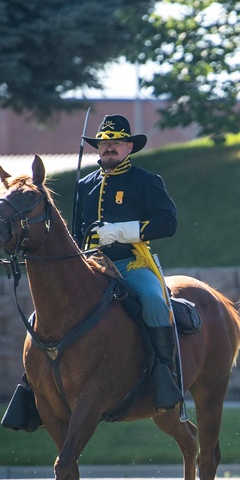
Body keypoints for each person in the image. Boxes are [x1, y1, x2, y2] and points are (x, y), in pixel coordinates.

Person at [72, 114, 183, 412]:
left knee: (153, 299)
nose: (110, 148)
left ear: (129, 146)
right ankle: (33, 382)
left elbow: (168, 223)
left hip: (130, 263)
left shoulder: (146, 181)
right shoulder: (84, 185)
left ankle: (163, 372)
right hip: (90, 265)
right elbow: (74, 232)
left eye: (117, 142)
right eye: (105, 143)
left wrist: (121, 231)